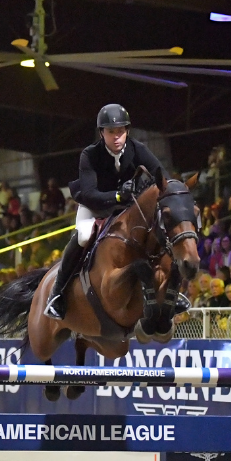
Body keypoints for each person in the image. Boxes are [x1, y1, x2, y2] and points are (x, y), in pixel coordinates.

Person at [46, 103, 187, 319]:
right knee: (83, 236)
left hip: (126, 207)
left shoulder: (138, 149)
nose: (116, 137)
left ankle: (170, 291)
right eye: (111, 132)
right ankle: (57, 294)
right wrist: (119, 195)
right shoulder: (90, 155)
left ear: (127, 131)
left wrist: (173, 191)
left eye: (120, 131)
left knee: (156, 230)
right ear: (102, 132)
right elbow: (91, 193)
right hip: (95, 206)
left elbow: (163, 177)